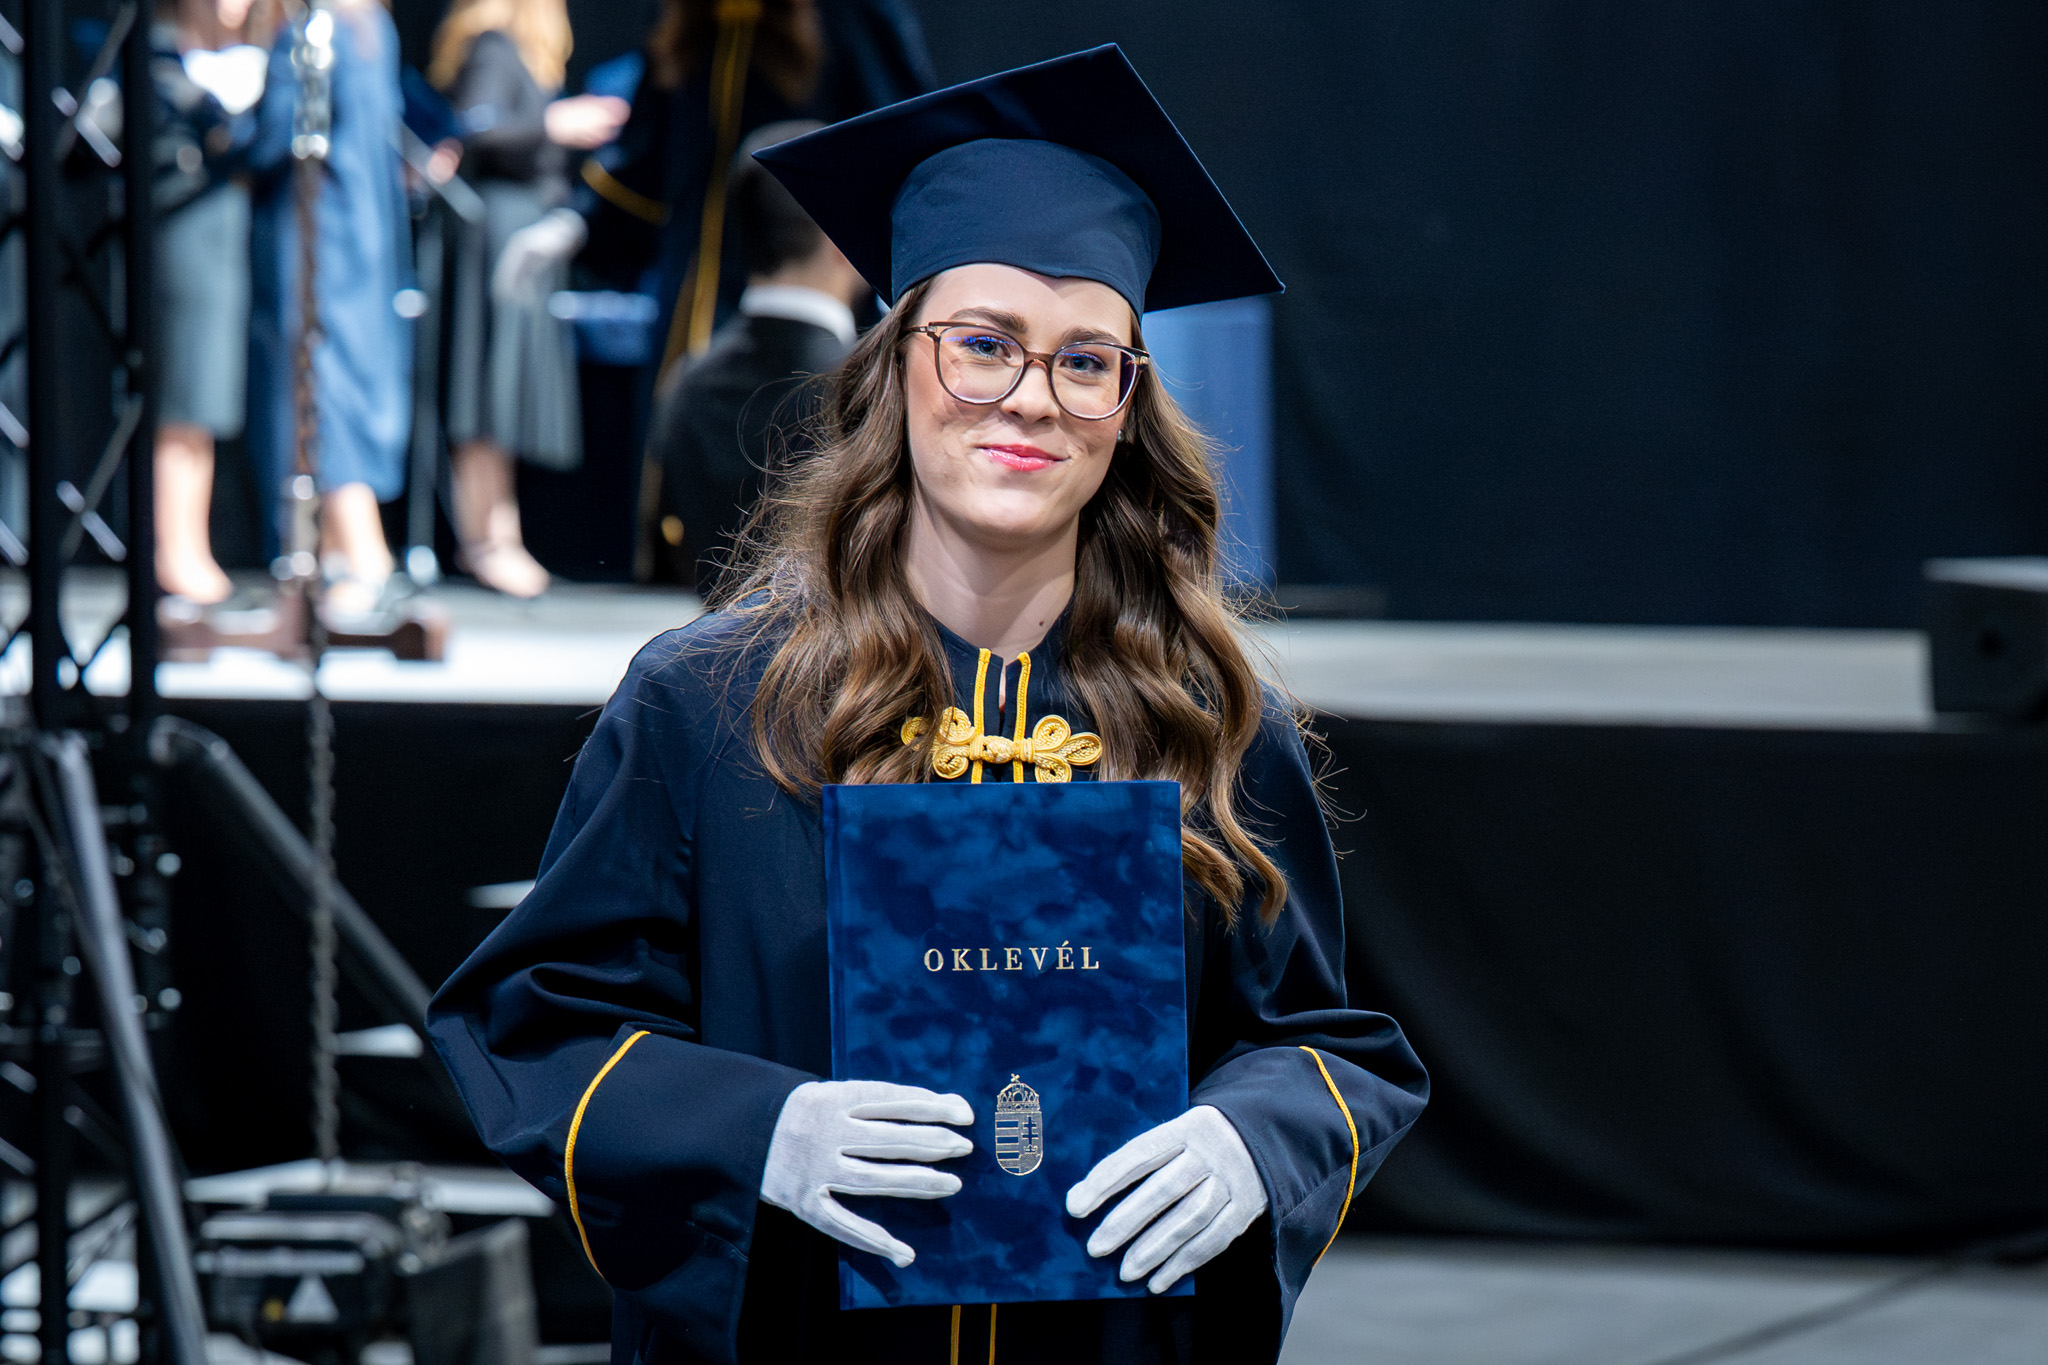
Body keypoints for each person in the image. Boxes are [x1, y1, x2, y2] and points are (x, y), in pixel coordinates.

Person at [429, 45, 1426, 1365]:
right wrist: (755, 1130)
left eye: (1089, 362)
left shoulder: (1209, 718)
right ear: (896, 360)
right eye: (984, 344)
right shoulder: (710, 704)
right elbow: (531, 1025)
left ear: (1128, 407)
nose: (1033, 396)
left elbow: (1323, 1040)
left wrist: (1261, 1135)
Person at [494, 0, 932, 387]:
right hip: (689, 298)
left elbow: (904, 143)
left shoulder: (849, 12)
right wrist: (575, 223)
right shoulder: (684, 19)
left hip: (809, 295)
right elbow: (647, 156)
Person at [427, 0, 627, 598]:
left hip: (520, 233)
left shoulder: (513, 54)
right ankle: (485, 538)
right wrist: (554, 125)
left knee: (503, 393)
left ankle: (500, 533)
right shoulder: (493, 44)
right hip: (498, 238)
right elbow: (477, 129)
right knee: (487, 388)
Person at [646, 119, 866, 597]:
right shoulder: (866, 388)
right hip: (850, 665)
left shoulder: (686, 385)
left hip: (713, 657)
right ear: (842, 244)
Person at [246, 0, 411, 619]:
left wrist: (227, 119)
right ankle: (339, 556)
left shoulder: (315, 29)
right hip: (362, 235)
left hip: (317, 234)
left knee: (318, 389)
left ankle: (363, 559)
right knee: (340, 384)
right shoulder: (372, 27)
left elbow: (276, 136)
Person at [151, 0, 274, 606]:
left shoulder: (256, 60)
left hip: (226, 243)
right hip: (183, 239)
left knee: (209, 405)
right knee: (185, 402)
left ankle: (190, 548)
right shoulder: (157, 58)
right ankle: (175, 550)